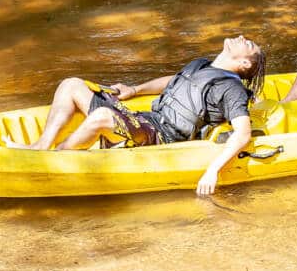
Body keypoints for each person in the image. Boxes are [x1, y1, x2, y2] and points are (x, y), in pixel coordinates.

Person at [17, 35, 266, 197]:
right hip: (145, 120)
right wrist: (135, 90)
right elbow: (174, 82)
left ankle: (50, 160)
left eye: (249, 45)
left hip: (161, 137)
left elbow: (242, 133)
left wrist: (213, 170)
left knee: (103, 115)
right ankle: (41, 146)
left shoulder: (231, 89)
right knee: (71, 84)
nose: (243, 38)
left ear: (244, 64)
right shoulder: (201, 64)